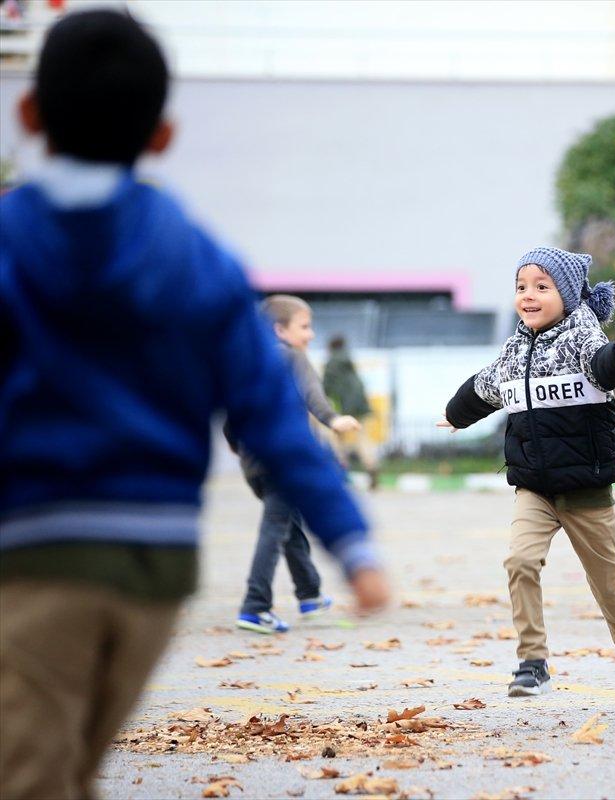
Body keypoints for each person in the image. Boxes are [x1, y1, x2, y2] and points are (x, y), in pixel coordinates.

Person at [0, 10, 389, 799]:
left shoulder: (10, 241)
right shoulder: (200, 259)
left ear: (29, 115)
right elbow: (272, 415)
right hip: (156, 572)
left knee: (31, 771)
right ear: (164, 135)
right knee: (62, 765)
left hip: (35, 551)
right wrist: (353, 541)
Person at [439, 247, 615, 697]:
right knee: (518, 560)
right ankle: (532, 661)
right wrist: (456, 414)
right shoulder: (515, 347)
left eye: (541, 287)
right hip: (533, 487)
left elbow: (602, 365)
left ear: (568, 294)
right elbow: (485, 385)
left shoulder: (581, 337)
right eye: (521, 287)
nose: (528, 296)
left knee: (608, 584)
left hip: (585, 487)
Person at [230, 296, 362, 634]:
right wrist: (334, 419)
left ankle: (310, 594)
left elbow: (232, 417)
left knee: (287, 524)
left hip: (253, 463)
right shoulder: (290, 356)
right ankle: (255, 606)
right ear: (280, 330)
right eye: (304, 327)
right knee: (274, 530)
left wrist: (240, 449)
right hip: (283, 461)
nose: (311, 335)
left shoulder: (245, 361)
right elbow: (312, 393)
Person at [322, 334, 380, 490]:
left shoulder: (332, 363)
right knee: (363, 439)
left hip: (344, 408)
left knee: (336, 439)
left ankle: (341, 471)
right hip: (361, 406)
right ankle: (371, 466)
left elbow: (325, 388)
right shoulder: (349, 361)